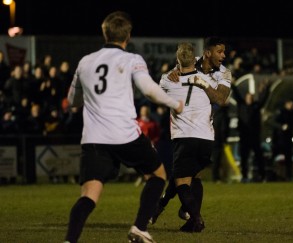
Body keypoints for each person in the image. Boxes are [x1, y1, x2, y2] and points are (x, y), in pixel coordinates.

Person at [63, 11, 183, 243]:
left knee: (89, 195)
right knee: (158, 175)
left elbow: (72, 102)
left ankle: (69, 241)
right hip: (124, 135)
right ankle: (139, 228)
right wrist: (174, 104)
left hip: (94, 139)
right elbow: (148, 89)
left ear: (104, 33)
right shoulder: (131, 59)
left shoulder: (85, 62)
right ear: (128, 36)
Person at [150, 39, 231, 232]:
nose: (224, 56)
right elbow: (182, 65)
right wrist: (175, 70)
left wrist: (201, 83)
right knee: (191, 176)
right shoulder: (190, 62)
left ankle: (181, 212)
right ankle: (176, 213)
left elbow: (220, 99)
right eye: (220, 52)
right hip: (200, 133)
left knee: (182, 178)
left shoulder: (224, 73)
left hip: (197, 130)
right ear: (208, 53)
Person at [231, 79, 271, 182]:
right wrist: (233, 84)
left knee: (259, 156)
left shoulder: (256, 106)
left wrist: (266, 88)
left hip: (254, 136)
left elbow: (264, 98)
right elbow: (236, 95)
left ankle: (262, 176)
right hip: (244, 136)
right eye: (248, 97)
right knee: (244, 157)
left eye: (251, 97)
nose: (250, 99)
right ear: (246, 98)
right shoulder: (241, 105)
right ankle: (244, 176)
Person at [268, 98, 293, 181]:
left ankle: (288, 176)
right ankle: (271, 175)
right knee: (274, 157)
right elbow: (272, 122)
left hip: (288, 140)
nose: (291, 106)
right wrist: (281, 127)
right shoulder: (280, 112)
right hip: (279, 140)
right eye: (290, 104)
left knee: (288, 159)